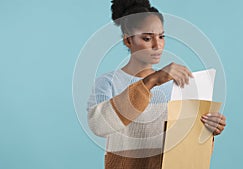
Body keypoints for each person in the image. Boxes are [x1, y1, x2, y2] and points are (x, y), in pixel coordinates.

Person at [87, 0, 226, 168]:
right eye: (147, 38)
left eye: (161, 36)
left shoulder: (177, 83)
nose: (157, 45)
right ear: (128, 40)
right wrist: (151, 81)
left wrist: (208, 129)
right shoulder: (108, 82)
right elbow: (99, 125)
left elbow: (185, 145)